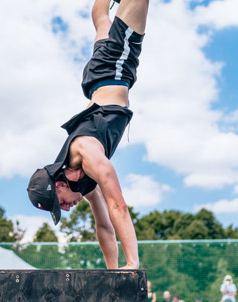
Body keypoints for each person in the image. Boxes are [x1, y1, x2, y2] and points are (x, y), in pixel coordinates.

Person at [27, 0, 149, 269]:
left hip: (116, 66)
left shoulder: (88, 154)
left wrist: (132, 265)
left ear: (60, 184)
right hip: (96, 77)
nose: (67, 209)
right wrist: (113, 272)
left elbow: (119, 207)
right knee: (100, 17)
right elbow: (104, 225)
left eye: (61, 204)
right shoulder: (83, 182)